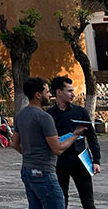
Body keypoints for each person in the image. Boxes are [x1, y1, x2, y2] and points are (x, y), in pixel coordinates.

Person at [12, 77, 87, 209]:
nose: (50, 95)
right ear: (38, 95)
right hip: (44, 172)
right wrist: (75, 135)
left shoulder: (20, 115)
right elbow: (57, 149)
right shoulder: (44, 117)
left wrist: (31, 155)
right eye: (47, 92)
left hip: (27, 170)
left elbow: (15, 143)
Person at [47, 75, 101, 209]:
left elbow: (92, 137)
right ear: (59, 92)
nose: (73, 94)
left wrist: (96, 160)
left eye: (73, 90)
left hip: (81, 161)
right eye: (69, 91)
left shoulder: (80, 112)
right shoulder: (49, 115)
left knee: (88, 202)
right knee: (61, 201)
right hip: (59, 162)